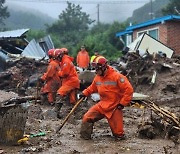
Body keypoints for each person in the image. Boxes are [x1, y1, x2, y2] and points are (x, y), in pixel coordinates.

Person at [79, 56, 134, 140]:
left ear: (104, 67)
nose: (96, 71)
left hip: (114, 107)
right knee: (87, 118)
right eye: (95, 69)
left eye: (97, 69)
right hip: (102, 104)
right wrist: (84, 93)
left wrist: (122, 103)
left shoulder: (117, 76)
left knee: (118, 134)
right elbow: (92, 87)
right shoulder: (97, 77)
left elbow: (128, 89)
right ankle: (85, 139)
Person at [55, 48, 80, 118]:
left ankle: (56, 112)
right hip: (73, 81)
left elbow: (65, 73)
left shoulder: (66, 61)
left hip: (71, 81)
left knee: (60, 93)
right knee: (73, 100)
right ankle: (75, 114)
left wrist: (59, 73)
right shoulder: (65, 60)